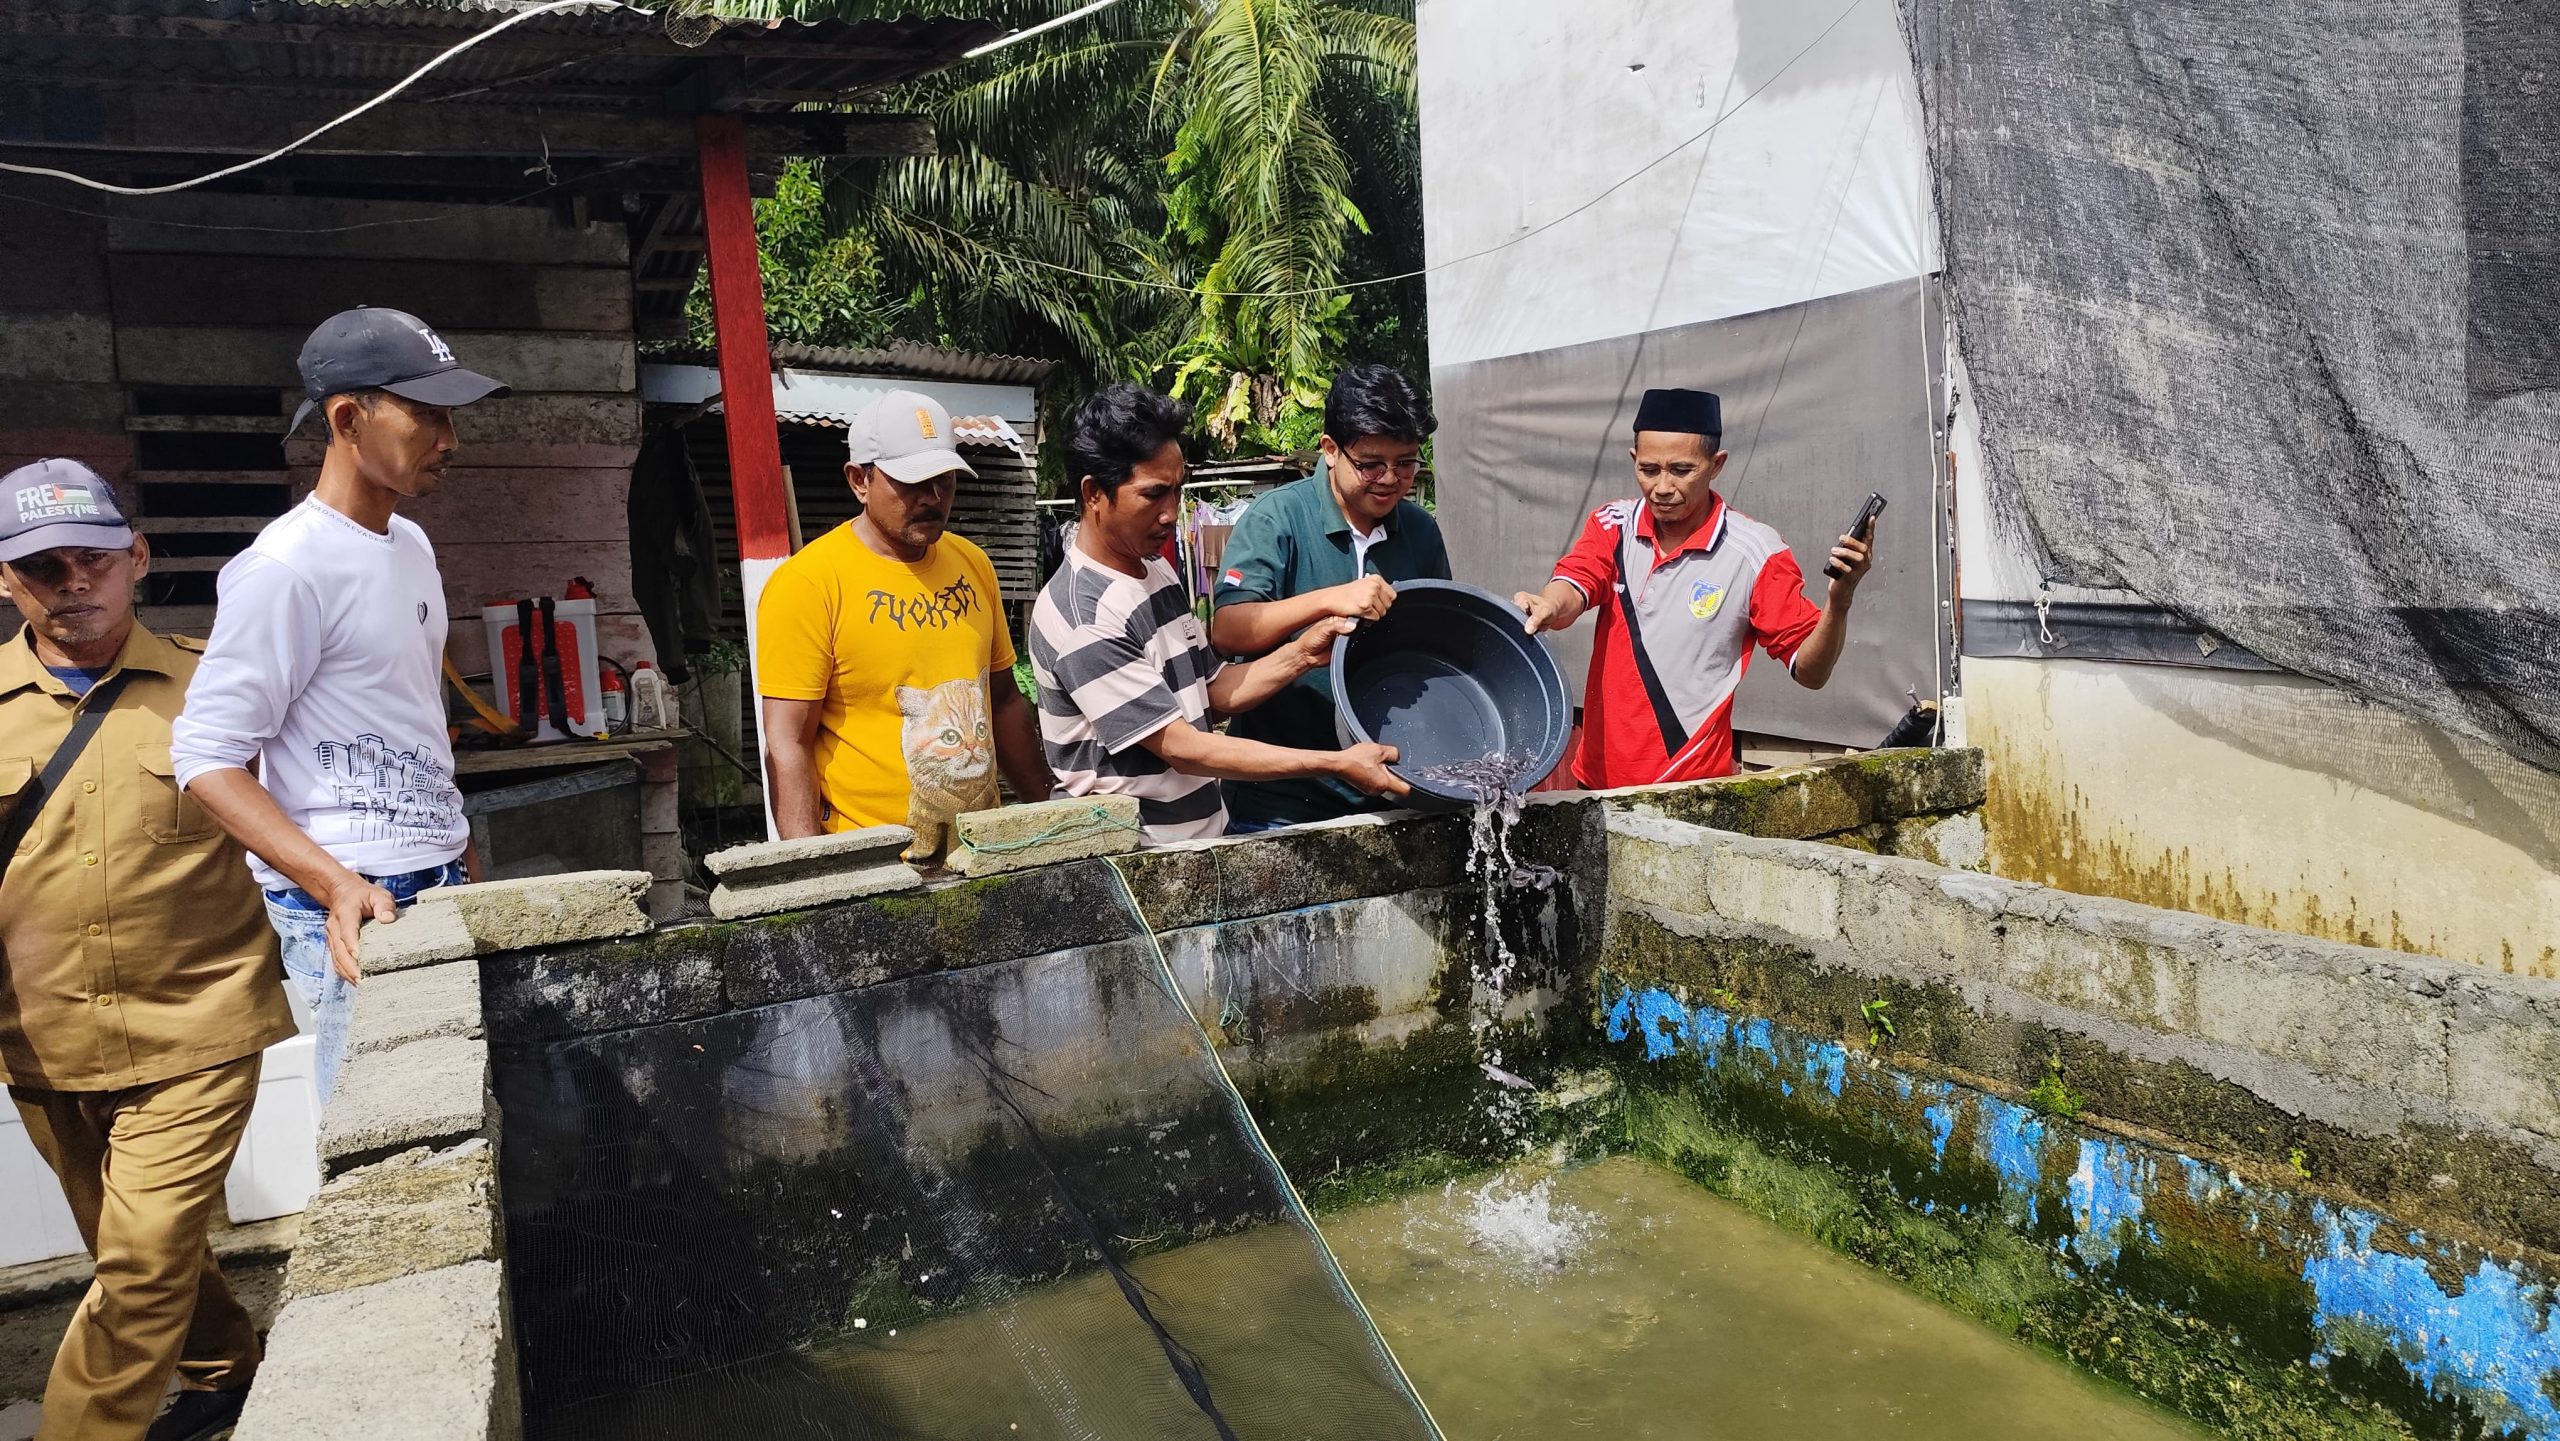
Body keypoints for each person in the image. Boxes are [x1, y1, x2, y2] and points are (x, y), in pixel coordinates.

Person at [0, 460, 297, 1441]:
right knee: (133, 1247)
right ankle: (224, 1372)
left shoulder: (218, 687)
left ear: (136, 556)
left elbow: (310, 807)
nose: (72, 582)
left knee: (136, 1265)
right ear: (6, 579)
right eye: (43, 567)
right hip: (43, 1040)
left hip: (199, 1025)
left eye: (92, 558)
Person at [171, 307, 507, 1107]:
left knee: (464, 1116)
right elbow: (206, 757)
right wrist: (333, 884)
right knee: (385, 1130)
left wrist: (452, 838)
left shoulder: (411, 545)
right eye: (427, 415)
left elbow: (405, 711)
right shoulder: (284, 569)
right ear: (348, 419)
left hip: (435, 877)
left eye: (452, 417)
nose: (450, 439)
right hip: (357, 903)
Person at [1030, 384, 1409, 843]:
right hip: (1135, 857)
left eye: (1177, 491)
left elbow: (1214, 689)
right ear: (1094, 493)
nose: (1170, 514)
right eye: (1154, 494)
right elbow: (1184, 748)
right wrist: (1336, 763)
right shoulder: (1084, 616)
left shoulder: (1154, 570)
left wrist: (1304, 654)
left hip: (1198, 842)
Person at [1513, 387, 1875, 788]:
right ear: (1634, 460)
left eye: (1682, 470)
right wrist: (1548, 604)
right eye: (1649, 470)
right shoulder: (1612, 524)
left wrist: (1839, 602)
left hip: (1692, 790)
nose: (1662, 487)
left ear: (1716, 464)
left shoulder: (1755, 552)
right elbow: (1576, 581)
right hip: (1596, 782)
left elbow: (1811, 672)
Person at [756, 389, 1050, 857]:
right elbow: (787, 742)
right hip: (869, 864)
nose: (933, 498)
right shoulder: (809, 583)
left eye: (945, 480)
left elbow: (1003, 701)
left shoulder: (972, 564)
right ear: (859, 480)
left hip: (976, 855)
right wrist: (812, 873)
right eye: (912, 482)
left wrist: (1049, 812)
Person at [1209, 364, 1452, 830]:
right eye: (1371, 464)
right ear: (1330, 450)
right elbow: (1228, 630)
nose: (1390, 479)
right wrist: (1330, 599)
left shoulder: (1420, 530)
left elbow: (1435, 641)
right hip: (1281, 800)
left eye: (1406, 463)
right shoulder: (1277, 518)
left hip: (1390, 788)